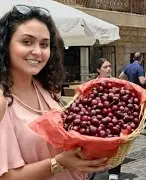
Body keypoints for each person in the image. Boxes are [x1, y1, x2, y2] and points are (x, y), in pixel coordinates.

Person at [0, 5, 109, 180]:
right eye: (27, 42)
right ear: (5, 45)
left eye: (44, 44)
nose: (37, 52)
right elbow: (5, 177)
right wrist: (59, 163)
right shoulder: (2, 101)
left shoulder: (45, 89)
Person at [88, 58, 121, 180]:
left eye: (109, 66)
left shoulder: (116, 83)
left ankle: (114, 172)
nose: (108, 69)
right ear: (98, 69)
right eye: (105, 67)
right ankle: (91, 172)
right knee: (95, 147)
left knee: (115, 145)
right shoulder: (92, 84)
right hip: (96, 121)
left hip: (113, 120)